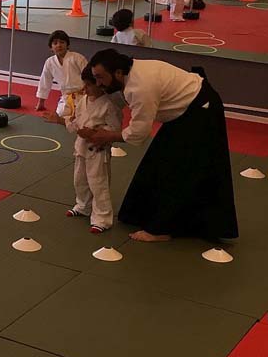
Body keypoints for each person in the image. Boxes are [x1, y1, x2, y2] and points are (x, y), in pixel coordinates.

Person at [85, 48, 238, 242]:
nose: (99, 83)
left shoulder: (140, 87)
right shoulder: (128, 74)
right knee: (157, 161)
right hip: (182, 112)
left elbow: (139, 132)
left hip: (201, 111)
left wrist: (107, 136)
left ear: (117, 73)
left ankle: (161, 229)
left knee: (177, 170)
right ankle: (137, 214)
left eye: (100, 78)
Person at [48, 66, 122, 233]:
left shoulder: (110, 105)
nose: (84, 88)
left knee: (98, 183)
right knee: (79, 179)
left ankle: (102, 218)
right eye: (84, 84)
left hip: (98, 149)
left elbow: (115, 129)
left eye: (88, 85)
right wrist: (59, 120)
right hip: (81, 146)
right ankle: (83, 206)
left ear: (100, 84)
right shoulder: (83, 100)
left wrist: (95, 133)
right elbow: (76, 123)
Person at [35, 30, 88, 116]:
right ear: (51, 48)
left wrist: (87, 90)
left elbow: (89, 76)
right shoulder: (50, 62)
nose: (59, 45)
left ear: (67, 45)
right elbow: (45, 82)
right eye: (55, 43)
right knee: (62, 113)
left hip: (83, 94)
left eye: (62, 42)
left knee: (83, 114)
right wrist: (41, 102)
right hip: (67, 96)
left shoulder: (77, 58)